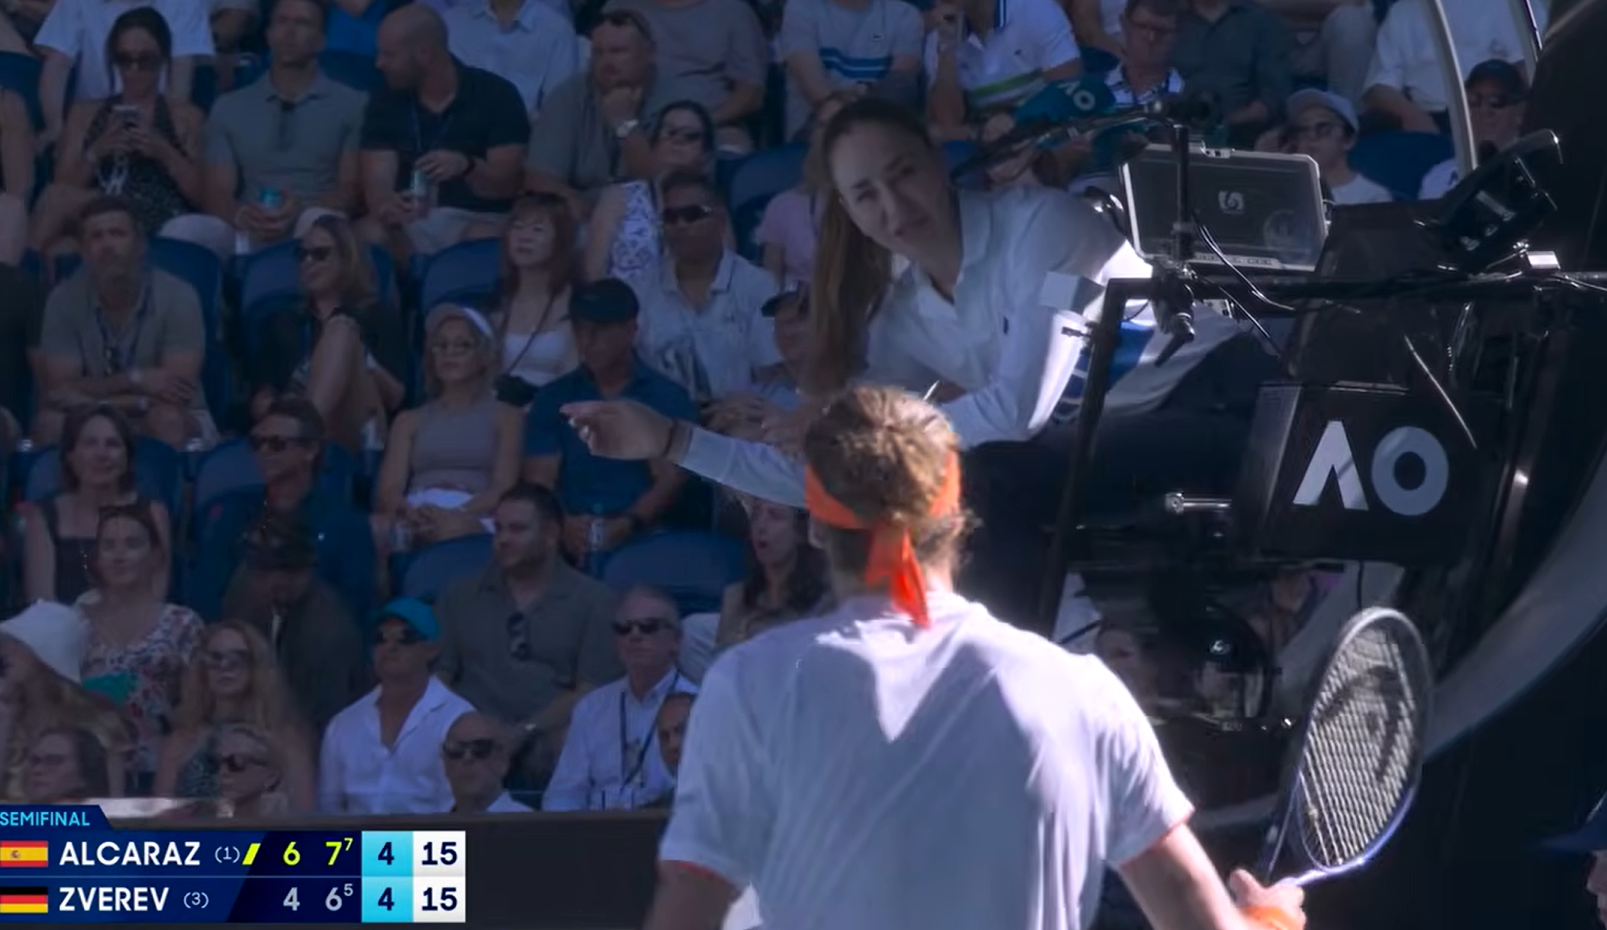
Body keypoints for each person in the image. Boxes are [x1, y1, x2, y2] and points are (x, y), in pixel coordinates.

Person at [560, 98, 1276, 627]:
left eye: (902, 174)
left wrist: (861, 432)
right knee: (914, 480)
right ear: (846, 210)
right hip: (1111, 447)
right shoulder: (903, 314)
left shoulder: (1045, 228)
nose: (892, 206)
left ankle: (1001, 679)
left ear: (937, 164)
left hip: (1225, 409)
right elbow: (840, 475)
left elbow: (1016, 412)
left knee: (986, 471)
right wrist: (674, 440)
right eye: (864, 194)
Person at [639, 385, 1306, 930]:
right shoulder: (1084, 694)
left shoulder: (748, 685)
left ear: (815, 526)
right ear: (956, 515)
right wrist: (1268, 921)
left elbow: (690, 911)